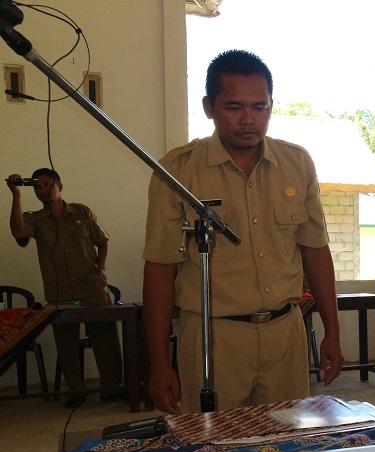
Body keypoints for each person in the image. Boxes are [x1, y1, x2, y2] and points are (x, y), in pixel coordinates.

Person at [143, 50, 343, 414]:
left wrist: (333, 329)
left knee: (286, 448)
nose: (249, 120)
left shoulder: (297, 164)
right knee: (213, 451)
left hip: (286, 334)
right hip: (213, 339)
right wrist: (159, 363)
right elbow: (159, 269)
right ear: (209, 107)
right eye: (234, 107)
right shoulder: (178, 171)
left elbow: (315, 250)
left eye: (260, 107)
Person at [6, 168, 122, 404]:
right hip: (60, 293)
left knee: (106, 340)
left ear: (60, 185)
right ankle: (76, 392)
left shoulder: (83, 211)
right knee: (66, 345)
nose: (43, 190)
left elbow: (103, 241)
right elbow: (18, 231)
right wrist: (16, 195)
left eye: (48, 184)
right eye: (38, 186)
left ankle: (111, 388)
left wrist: (100, 270)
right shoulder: (35, 219)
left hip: (91, 289)